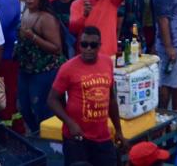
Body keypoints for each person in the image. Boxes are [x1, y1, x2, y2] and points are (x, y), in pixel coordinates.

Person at [47, 27, 124, 165]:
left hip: (102, 137)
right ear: (79, 45)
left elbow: (111, 99)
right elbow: (52, 100)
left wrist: (118, 130)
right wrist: (69, 123)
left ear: (99, 46)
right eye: (84, 44)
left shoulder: (107, 63)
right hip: (77, 140)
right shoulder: (67, 68)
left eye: (93, 45)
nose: (88, 48)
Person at [15, 0, 63, 134]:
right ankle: (36, 134)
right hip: (26, 70)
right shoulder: (25, 12)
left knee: (41, 109)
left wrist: (33, 37)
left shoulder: (46, 18)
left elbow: (57, 48)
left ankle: (46, 140)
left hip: (44, 72)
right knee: (24, 107)